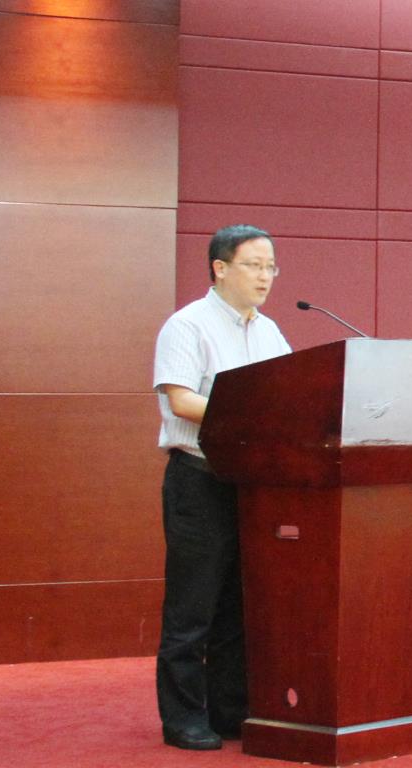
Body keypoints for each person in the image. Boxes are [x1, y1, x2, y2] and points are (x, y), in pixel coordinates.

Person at [152, 224, 291, 750]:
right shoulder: (188, 325)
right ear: (220, 268)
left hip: (252, 485)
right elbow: (182, 400)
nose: (265, 277)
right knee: (193, 609)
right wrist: (249, 414)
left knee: (238, 607)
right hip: (199, 480)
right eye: (254, 265)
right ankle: (183, 717)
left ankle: (230, 709)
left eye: (271, 267)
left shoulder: (269, 332)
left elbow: (291, 393)